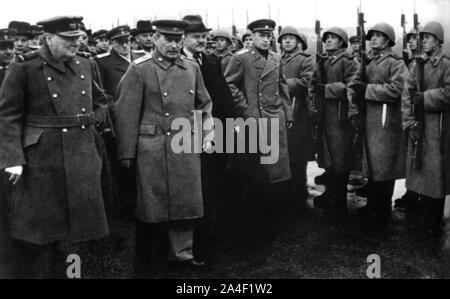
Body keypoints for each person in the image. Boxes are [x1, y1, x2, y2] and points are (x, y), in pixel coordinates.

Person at [0, 16, 110, 278]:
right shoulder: (25, 68)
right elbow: (8, 116)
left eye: (77, 38)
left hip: (82, 154)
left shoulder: (85, 64)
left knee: (80, 232)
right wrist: (13, 158)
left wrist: (96, 121)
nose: (76, 43)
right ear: (48, 38)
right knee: (44, 234)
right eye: (68, 39)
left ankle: (75, 274)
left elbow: (100, 99)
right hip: (42, 159)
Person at [115, 19, 212, 268]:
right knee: (152, 204)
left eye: (177, 40)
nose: (173, 45)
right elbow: (126, 112)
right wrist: (126, 152)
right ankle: (151, 256)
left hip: (184, 144)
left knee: (186, 202)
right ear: (156, 39)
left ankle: (183, 254)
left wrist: (206, 135)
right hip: (152, 146)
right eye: (168, 39)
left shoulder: (191, 67)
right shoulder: (140, 69)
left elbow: (204, 104)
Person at [224, 19, 293, 222]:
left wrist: (288, 114)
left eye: (269, 36)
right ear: (252, 36)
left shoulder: (276, 58)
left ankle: (275, 210)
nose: (266, 39)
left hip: (274, 115)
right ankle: (257, 212)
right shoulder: (241, 58)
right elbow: (229, 84)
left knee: (277, 167)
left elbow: (283, 87)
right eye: (261, 35)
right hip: (253, 117)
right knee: (256, 167)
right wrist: (244, 107)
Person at [180, 14, 234, 261]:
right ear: (183, 38)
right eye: (196, 36)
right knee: (193, 188)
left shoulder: (211, 61)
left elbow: (223, 96)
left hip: (215, 133)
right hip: (186, 133)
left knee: (214, 184)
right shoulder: (177, 62)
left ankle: (211, 238)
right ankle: (193, 244)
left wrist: (231, 126)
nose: (202, 40)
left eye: (204, 36)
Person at [349, 23, 408, 221]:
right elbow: (355, 83)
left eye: (378, 36)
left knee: (384, 165)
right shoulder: (369, 61)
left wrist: (367, 90)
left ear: (388, 40)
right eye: (371, 36)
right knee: (373, 163)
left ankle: (382, 208)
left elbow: (398, 89)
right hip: (370, 119)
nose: (373, 39)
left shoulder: (395, 63)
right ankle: (374, 204)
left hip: (385, 121)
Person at [401, 22, 450, 235]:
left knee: (436, 173)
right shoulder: (417, 65)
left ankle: (433, 221)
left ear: (439, 41)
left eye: (428, 37)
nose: (423, 41)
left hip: (439, 126)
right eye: (423, 38)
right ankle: (421, 216)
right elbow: (406, 93)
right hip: (419, 124)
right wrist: (409, 120)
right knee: (419, 170)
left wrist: (427, 97)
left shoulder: (446, 64)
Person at [310, 27, 358, 215]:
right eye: (327, 38)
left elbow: (352, 86)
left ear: (342, 42)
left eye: (333, 38)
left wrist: (327, 89)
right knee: (328, 157)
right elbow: (313, 84)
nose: (329, 41)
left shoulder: (349, 61)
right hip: (325, 115)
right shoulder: (323, 61)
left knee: (340, 159)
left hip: (340, 116)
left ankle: (338, 200)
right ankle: (331, 194)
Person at [278, 26, 315, 212]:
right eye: (284, 38)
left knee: (297, 155)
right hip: (280, 111)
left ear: (298, 42)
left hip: (298, 111)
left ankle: (299, 193)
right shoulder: (277, 58)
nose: (287, 41)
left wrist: (283, 83)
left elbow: (308, 82)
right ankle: (287, 193)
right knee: (284, 153)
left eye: (291, 38)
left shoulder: (305, 60)